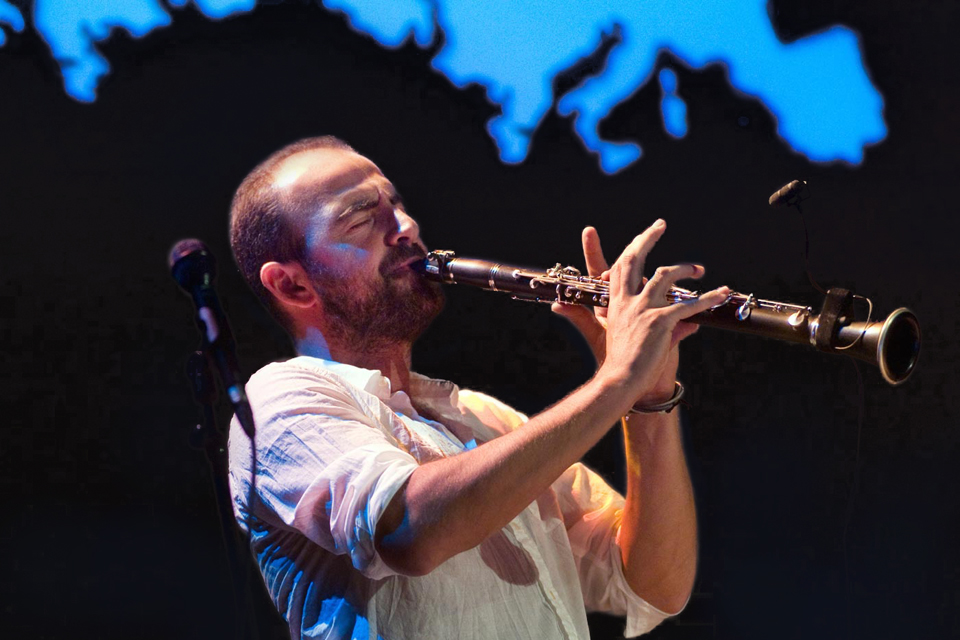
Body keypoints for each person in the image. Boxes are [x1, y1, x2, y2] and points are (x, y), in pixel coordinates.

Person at [227, 135, 729, 639]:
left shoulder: (484, 418)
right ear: (292, 285)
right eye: (360, 218)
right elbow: (411, 533)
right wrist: (618, 379)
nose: (406, 227)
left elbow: (652, 586)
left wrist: (648, 400)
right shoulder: (276, 402)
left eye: (397, 205)